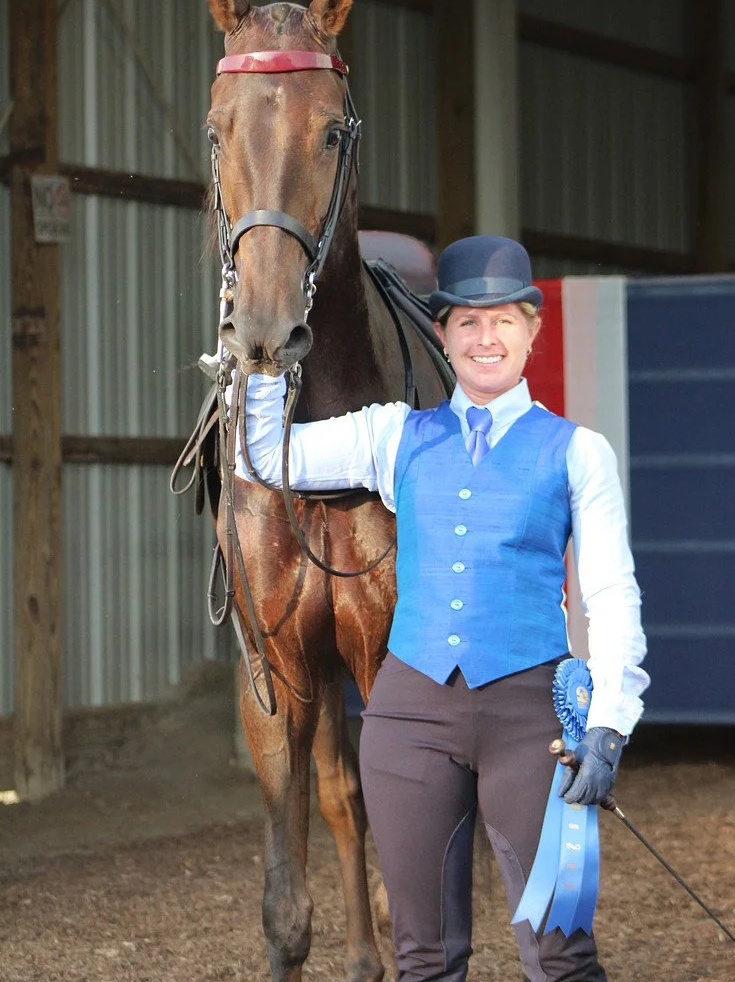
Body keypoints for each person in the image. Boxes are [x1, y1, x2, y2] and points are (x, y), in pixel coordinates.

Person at [235, 235, 649, 982]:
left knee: (560, 953)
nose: (486, 338)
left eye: (504, 321)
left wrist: (611, 723)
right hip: (410, 719)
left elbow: (612, 592)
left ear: (531, 329)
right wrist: (260, 362)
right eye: (468, 322)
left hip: (529, 721)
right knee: (423, 958)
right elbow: (263, 457)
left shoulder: (579, 452)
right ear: (443, 332)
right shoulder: (395, 433)